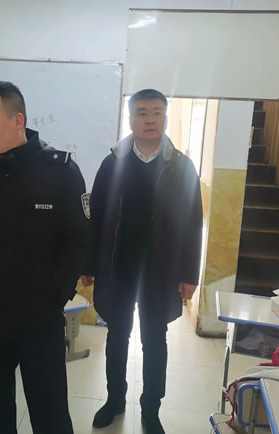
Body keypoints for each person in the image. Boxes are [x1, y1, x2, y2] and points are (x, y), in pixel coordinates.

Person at [0, 81, 88, 434]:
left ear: (18, 120)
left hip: (40, 319)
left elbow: (77, 241)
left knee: (51, 415)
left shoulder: (60, 172)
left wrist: (55, 296)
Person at [81, 89, 203, 434]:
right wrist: (89, 263)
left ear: (165, 117)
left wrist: (189, 274)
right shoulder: (112, 163)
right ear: (131, 119)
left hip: (161, 270)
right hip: (117, 266)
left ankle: (151, 408)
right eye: (142, 113)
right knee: (117, 335)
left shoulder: (181, 166)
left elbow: (193, 223)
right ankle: (114, 400)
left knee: (155, 338)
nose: (150, 120)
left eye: (157, 113)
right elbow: (96, 217)